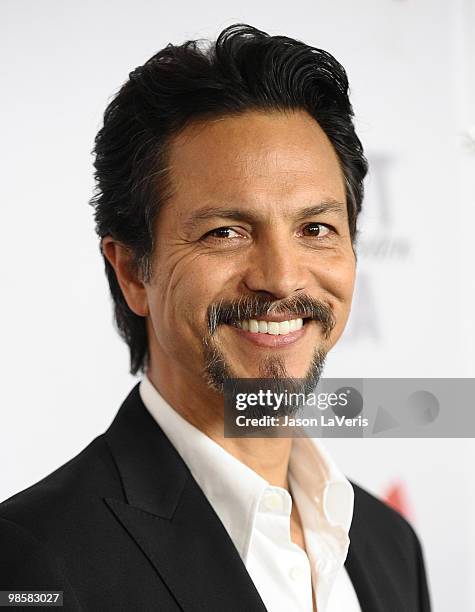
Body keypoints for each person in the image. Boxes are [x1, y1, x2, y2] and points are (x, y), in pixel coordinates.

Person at [0, 24, 431, 611]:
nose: (280, 277)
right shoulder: (33, 560)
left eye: (315, 229)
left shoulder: (389, 544)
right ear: (132, 271)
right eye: (224, 232)